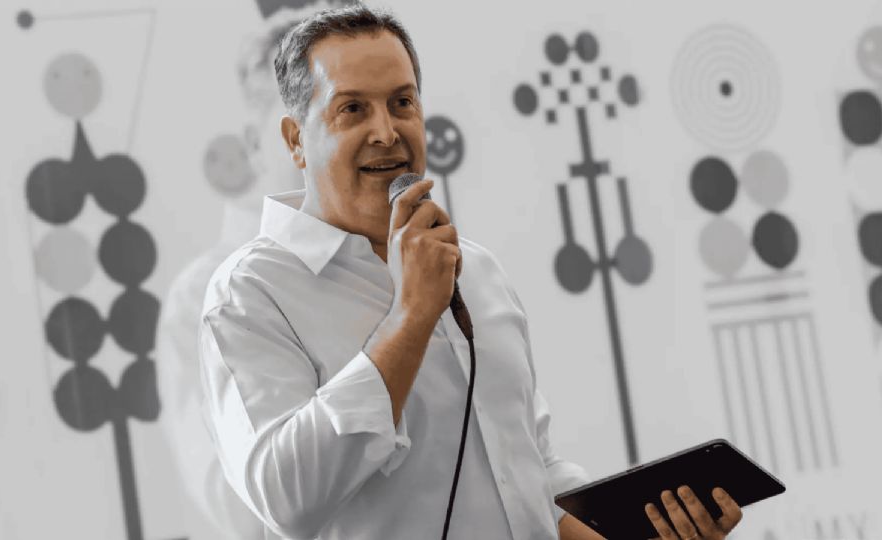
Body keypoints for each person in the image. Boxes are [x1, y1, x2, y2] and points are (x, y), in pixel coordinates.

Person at [199, 5, 745, 540]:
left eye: (402, 102)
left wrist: (649, 531)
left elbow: (529, 477)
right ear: (295, 140)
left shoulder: (475, 269)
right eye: (352, 109)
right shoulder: (249, 294)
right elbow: (286, 500)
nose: (386, 131)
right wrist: (410, 317)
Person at [156, 7, 315, 539]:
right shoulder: (202, 299)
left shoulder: (416, 263)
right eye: (306, 119)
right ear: (253, 142)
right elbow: (245, 515)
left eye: (353, 111)